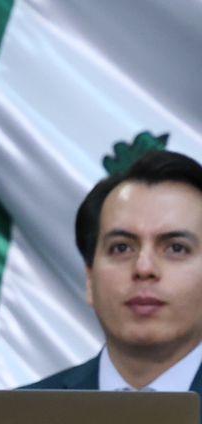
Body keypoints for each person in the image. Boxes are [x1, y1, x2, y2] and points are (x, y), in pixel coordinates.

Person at [21, 150, 202, 405]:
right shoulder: (16, 418)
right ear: (89, 279)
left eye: (176, 248)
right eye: (121, 247)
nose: (144, 268)